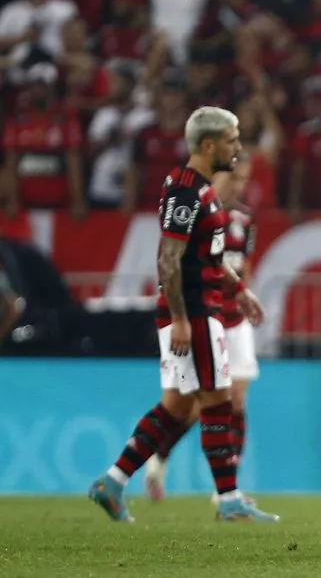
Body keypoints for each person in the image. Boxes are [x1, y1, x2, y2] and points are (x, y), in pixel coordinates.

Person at [87, 107, 279, 523]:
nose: (237, 149)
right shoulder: (187, 192)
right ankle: (228, 500)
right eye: (231, 141)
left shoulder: (200, 190)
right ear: (208, 145)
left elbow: (207, 255)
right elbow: (169, 259)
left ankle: (112, 482)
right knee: (217, 402)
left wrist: (239, 290)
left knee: (175, 408)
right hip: (194, 311)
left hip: (201, 308)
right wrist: (179, 318)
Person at [143, 155, 260, 503]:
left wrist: (245, 297)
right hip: (206, 317)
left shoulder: (245, 220)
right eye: (234, 178)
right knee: (192, 409)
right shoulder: (197, 211)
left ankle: (227, 488)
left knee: (237, 400)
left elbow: (244, 266)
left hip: (235, 321)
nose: (239, 186)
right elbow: (174, 261)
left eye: (244, 179)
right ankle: (159, 457)